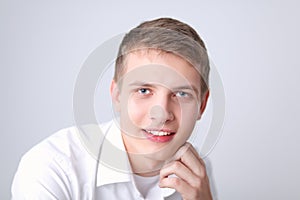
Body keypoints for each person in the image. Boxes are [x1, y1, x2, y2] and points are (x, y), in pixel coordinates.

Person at [11, 17, 215, 200]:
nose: (161, 114)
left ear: (202, 106)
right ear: (117, 95)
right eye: (144, 90)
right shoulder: (50, 168)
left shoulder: (194, 173)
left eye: (181, 94)